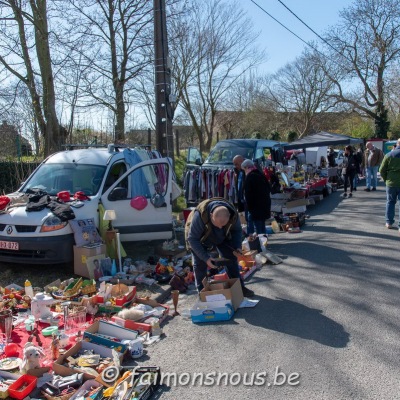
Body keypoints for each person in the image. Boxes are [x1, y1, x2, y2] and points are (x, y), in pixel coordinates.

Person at [185, 198, 255, 298]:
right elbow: (193, 239)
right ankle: (202, 292)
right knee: (200, 264)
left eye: (223, 225)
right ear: (211, 215)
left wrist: (238, 247)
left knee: (231, 259)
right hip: (200, 237)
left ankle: (239, 287)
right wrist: (206, 258)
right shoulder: (200, 216)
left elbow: (237, 231)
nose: (220, 227)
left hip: (224, 236)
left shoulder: (233, 215)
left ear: (229, 217)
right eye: (217, 224)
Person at [241, 159, 271, 234]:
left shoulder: (250, 177)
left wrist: (249, 207)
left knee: (258, 228)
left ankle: (258, 244)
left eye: (244, 169)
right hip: (264, 206)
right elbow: (268, 189)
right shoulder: (261, 175)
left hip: (255, 207)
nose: (244, 171)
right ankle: (263, 243)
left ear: (247, 167)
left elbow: (248, 194)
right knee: (262, 226)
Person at [379, 138, 400, 231]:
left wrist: (386, 179)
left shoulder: (388, 155)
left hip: (391, 183)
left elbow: (381, 170)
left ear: (397, 144)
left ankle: (389, 222)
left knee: (390, 202)